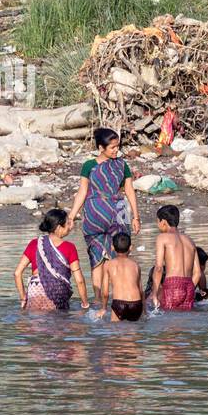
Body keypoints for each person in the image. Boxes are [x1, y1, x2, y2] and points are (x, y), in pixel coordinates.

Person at [67, 127, 141, 302]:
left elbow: (130, 190)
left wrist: (136, 216)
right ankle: (102, 299)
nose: (116, 150)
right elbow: (82, 191)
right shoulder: (90, 165)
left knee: (112, 256)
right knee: (98, 258)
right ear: (101, 147)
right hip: (106, 215)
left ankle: (109, 298)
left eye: (117, 146)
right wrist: (71, 216)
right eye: (112, 147)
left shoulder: (121, 164)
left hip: (107, 214)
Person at [14, 208, 90, 312]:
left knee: (36, 324)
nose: (70, 227)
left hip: (35, 290)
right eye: (67, 224)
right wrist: (85, 304)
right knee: (57, 324)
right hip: (57, 292)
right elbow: (79, 281)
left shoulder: (34, 243)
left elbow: (17, 273)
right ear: (59, 227)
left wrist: (23, 298)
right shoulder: (70, 247)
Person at [151, 204, 201, 311]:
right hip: (189, 285)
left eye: (157, 222)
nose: (158, 225)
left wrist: (154, 293)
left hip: (172, 285)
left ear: (163, 222)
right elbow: (197, 273)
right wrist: (190, 287)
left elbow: (159, 268)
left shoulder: (162, 238)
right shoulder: (189, 240)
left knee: (169, 323)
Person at [104, 231, 144, 322]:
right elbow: (141, 291)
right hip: (136, 304)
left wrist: (103, 308)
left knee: (116, 332)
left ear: (112, 247)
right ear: (131, 247)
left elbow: (105, 293)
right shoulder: (135, 265)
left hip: (119, 303)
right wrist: (144, 310)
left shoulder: (108, 265)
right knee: (133, 334)